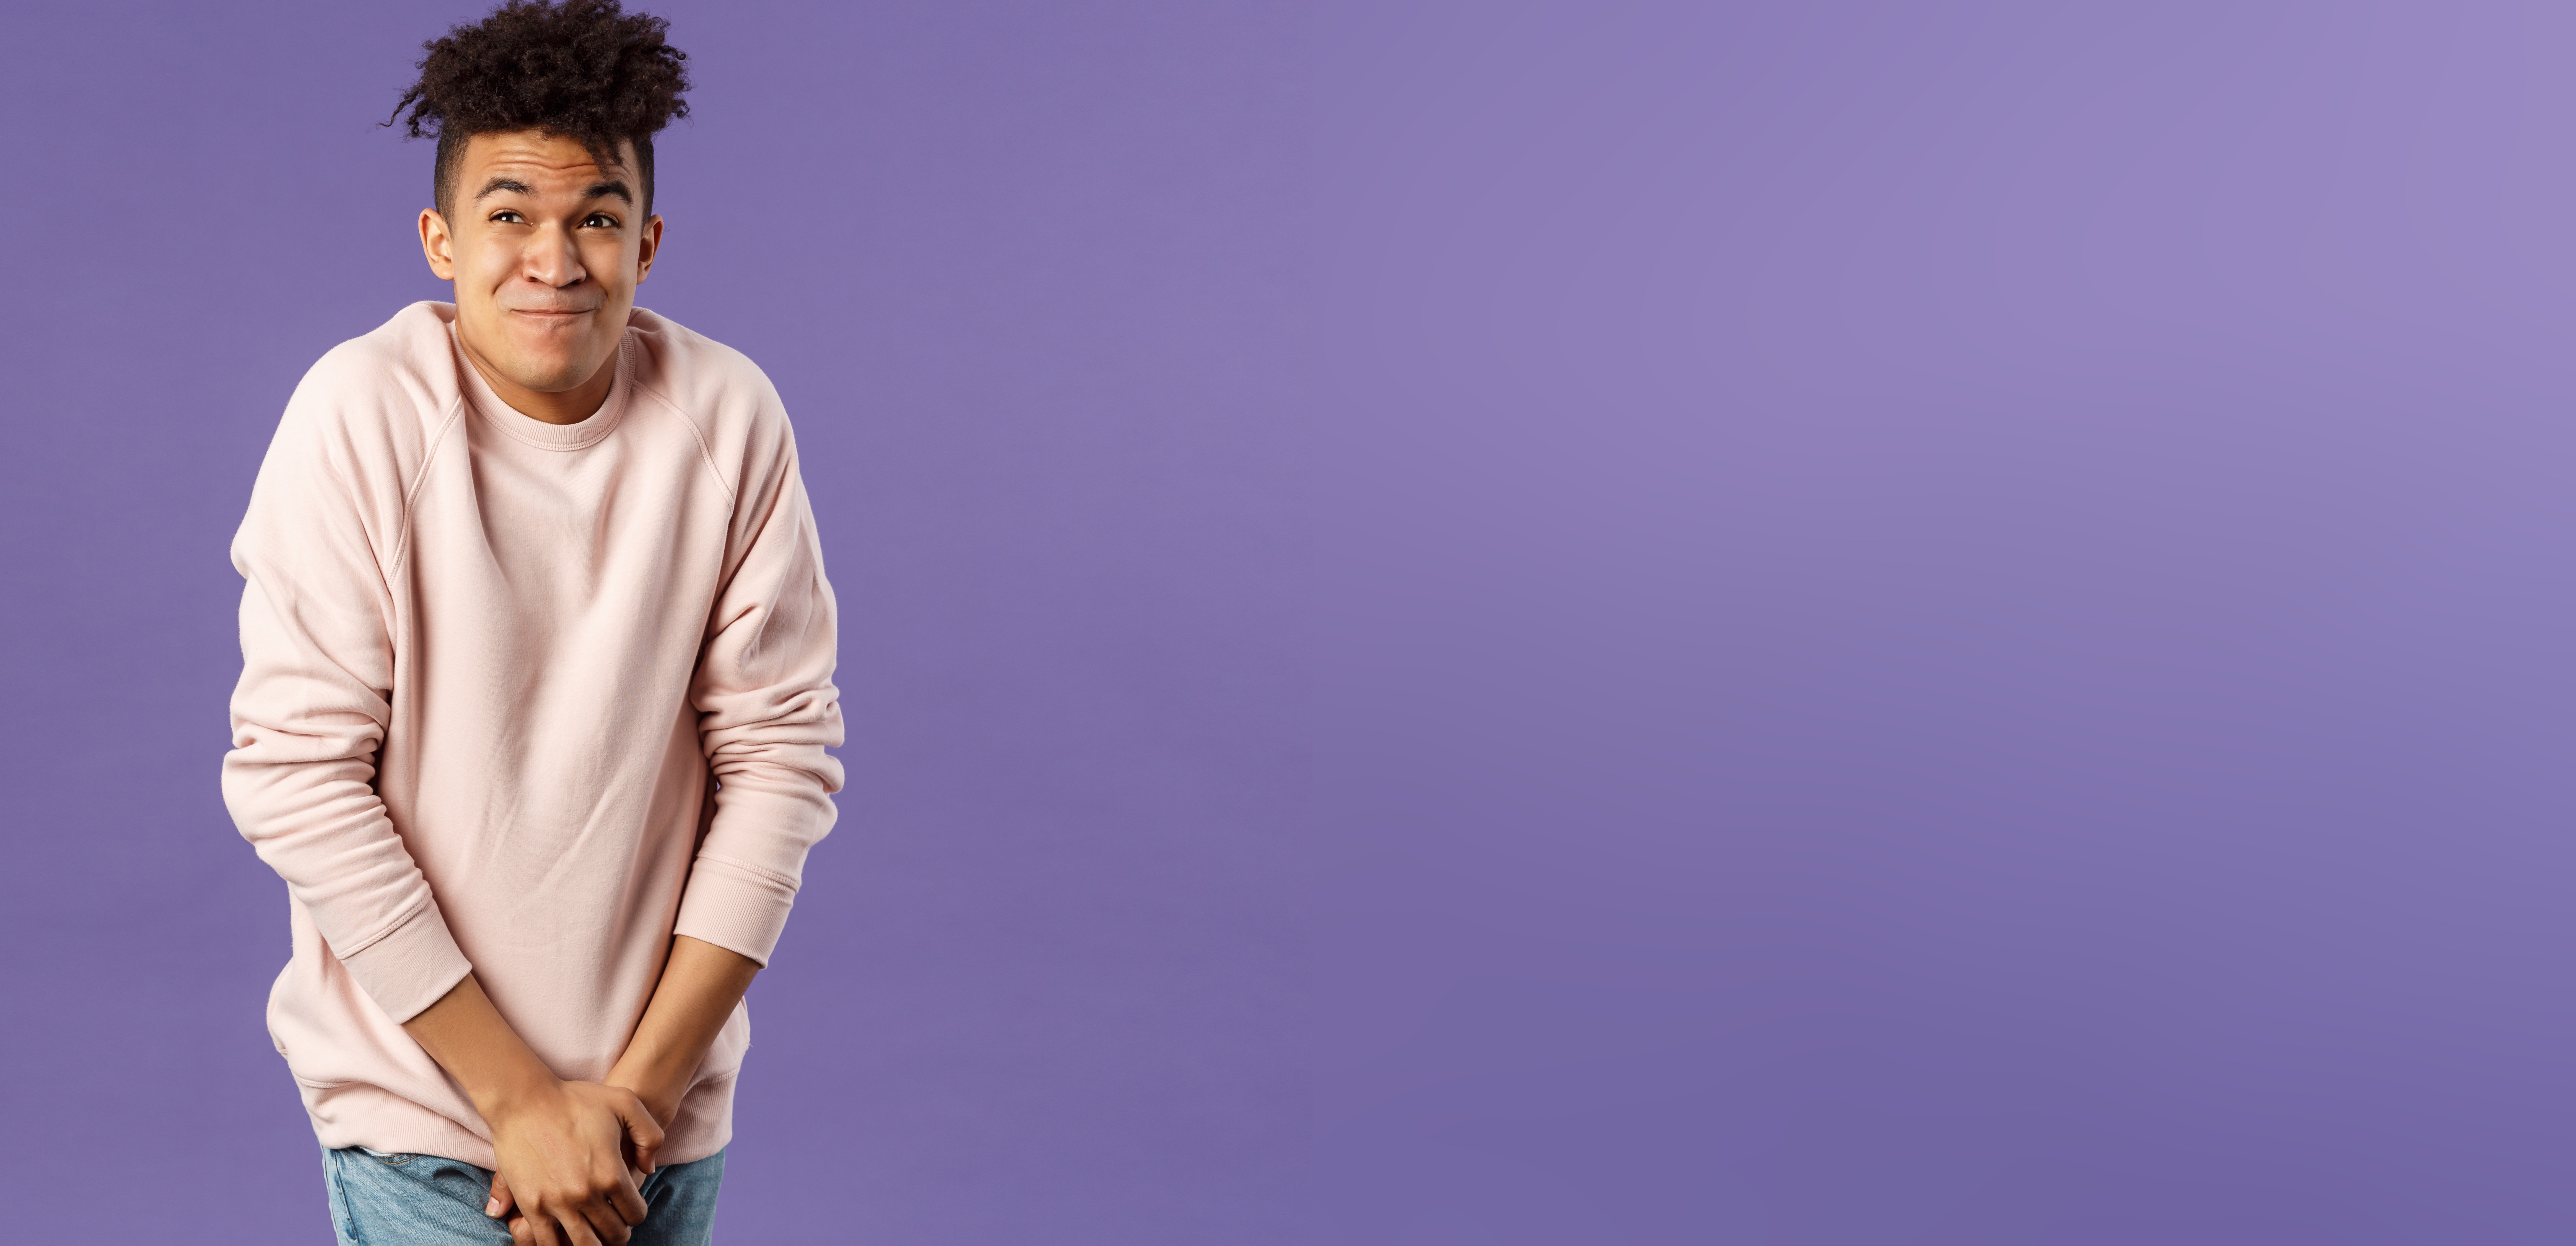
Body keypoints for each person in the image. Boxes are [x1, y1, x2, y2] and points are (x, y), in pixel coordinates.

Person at [218, 2, 844, 1242]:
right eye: (509, 216)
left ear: (647, 243)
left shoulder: (728, 415)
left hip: (655, 1126)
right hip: (428, 1124)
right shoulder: (361, 414)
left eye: (595, 219)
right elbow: (298, 777)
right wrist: (519, 1103)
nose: (553, 262)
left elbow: (779, 763)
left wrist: (633, 1101)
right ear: (440, 241)